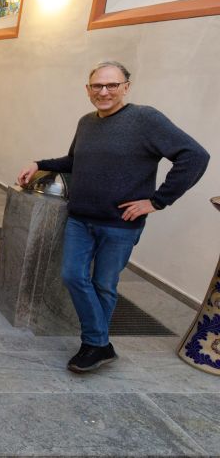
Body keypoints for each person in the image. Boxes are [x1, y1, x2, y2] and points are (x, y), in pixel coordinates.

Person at [16, 61, 209, 373]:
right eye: (97, 86)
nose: (103, 92)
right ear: (88, 89)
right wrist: (38, 162)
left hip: (120, 225)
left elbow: (195, 156)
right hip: (80, 218)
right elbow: (74, 161)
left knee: (104, 285)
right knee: (73, 276)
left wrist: (157, 201)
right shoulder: (86, 122)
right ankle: (100, 344)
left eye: (112, 85)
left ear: (126, 87)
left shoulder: (146, 119)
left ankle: (93, 345)